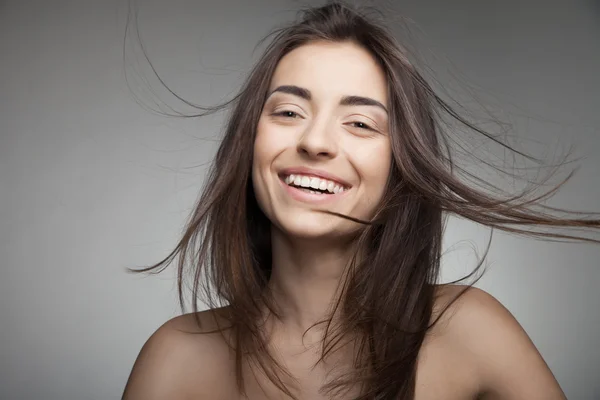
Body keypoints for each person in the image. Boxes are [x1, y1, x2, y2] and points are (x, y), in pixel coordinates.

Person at [122, 3, 599, 399]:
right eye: (289, 111)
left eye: (360, 123)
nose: (316, 141)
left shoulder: (471, 331)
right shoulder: (174, 358)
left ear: (400, 167)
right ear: (249, 143)